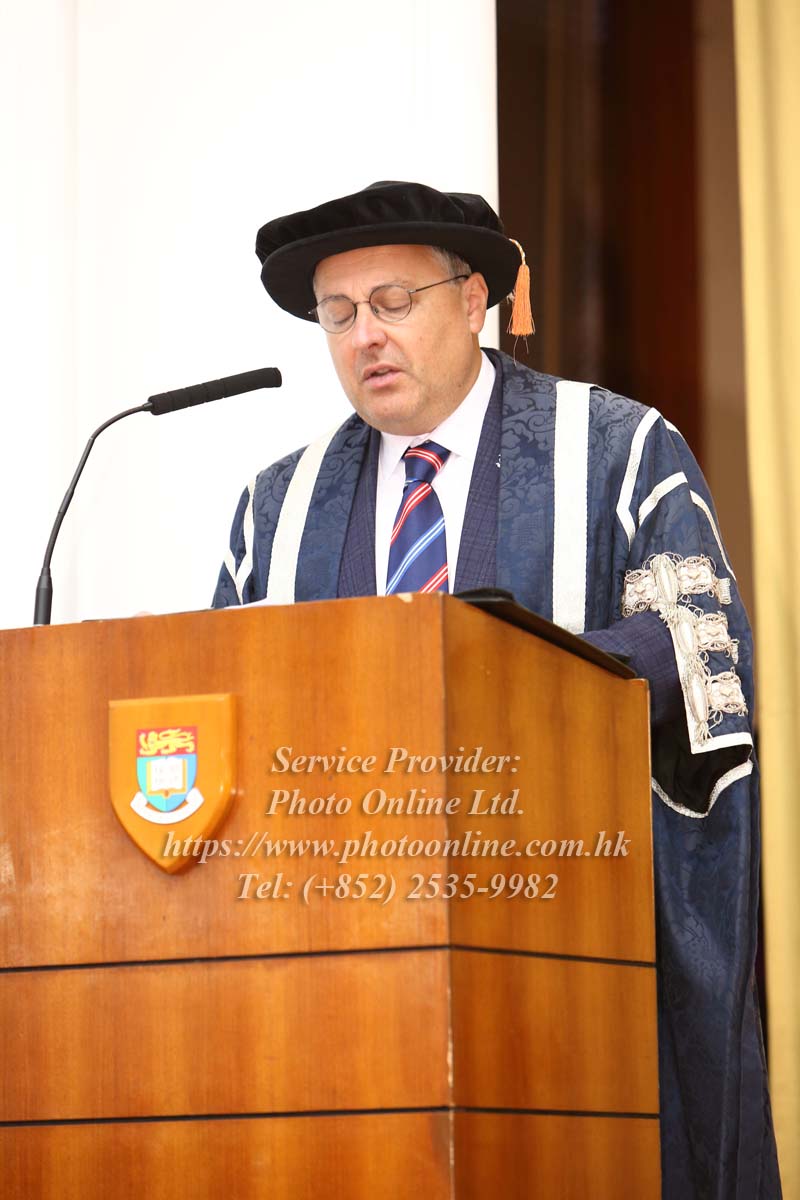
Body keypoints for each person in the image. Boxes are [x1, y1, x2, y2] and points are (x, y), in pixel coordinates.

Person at [212, 180, 781, 1197]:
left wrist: (510, 678)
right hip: (338, 955)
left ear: (474, 300)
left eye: (393, 302)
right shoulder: (277, 505)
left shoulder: (615, 450)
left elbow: (697, 652)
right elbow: (223, 705)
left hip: (564, 933)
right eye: (337, 314)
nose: (363, 336)